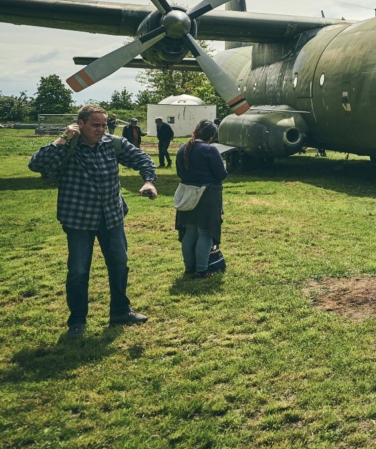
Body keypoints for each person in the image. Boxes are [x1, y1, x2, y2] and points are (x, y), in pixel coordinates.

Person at [28, 103, 157, 335]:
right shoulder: (69, 146)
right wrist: (64, 138)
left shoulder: (113, 143)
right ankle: (77, 320)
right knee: (78, 270)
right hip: (79, 219)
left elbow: (143, 160)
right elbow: (36, 164)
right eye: (95, 125)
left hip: (111, 217)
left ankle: (120, 311)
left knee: (119, 264)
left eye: (104, 125)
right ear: (80, 125)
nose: (100, 130)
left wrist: (148, 180)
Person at [175, 120, 228, 278]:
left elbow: (180, 173)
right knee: (205, 232)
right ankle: (202, 270)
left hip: (187, 195)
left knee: (190, 232)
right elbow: (221, 174)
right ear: (211, 135)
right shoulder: (209, 150)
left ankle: (189, 268)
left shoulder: (183, 148)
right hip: (207, 195)